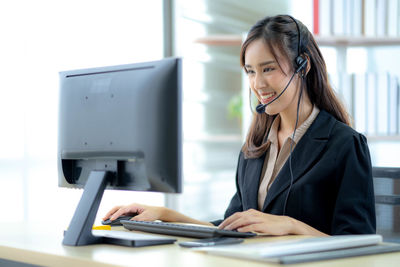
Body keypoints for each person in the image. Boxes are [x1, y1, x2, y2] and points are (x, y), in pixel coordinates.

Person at [103, 15, 376, 236]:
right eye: (250, 71)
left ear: (302, 66)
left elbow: (361, 246)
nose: (258, 84)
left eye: (268, 69)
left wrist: (292, 226)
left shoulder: (344, 144)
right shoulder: (254, 147)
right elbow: (230, 228)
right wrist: (163, 215)